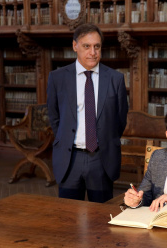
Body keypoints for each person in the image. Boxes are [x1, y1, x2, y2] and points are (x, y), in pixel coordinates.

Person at [47, 23, 128, 203]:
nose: (93, 52)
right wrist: (66, 138)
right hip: (70, 159)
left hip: (101, 159)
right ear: (75, 46)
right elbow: (54, 117)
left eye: (97, 46)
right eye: (86, 46)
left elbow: (120, 120)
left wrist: (105, 140)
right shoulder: (57, 78)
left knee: (101, 218)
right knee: (68, 217)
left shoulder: (115, 79)